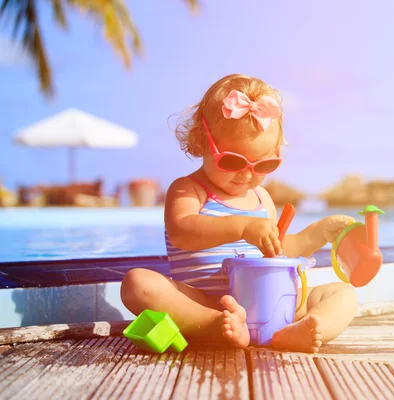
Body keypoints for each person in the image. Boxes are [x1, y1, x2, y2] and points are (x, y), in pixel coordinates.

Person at [121, 74, 358, 353]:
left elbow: (277, 247)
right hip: (208, 303)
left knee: (344, 294)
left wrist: (319, 233)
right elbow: (182, 231)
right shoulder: (188, 190)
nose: (247, 175)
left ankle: (303, 329)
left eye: (264, 165)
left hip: (272, 303)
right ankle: (218, 326)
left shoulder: (261, 198)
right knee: (137, 283)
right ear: (202, 141)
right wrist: (242, 226)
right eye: (233, 161)